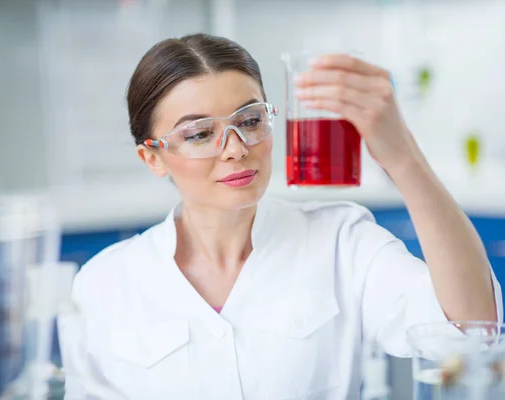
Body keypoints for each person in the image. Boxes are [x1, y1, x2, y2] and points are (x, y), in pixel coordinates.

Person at [59, 33, 502, 400]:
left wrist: (402, 157)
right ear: (152, 157)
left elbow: (468, 332)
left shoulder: (341, 241)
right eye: (198, 133)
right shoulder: (102, 285)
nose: (235, 148)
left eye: (250, 120)